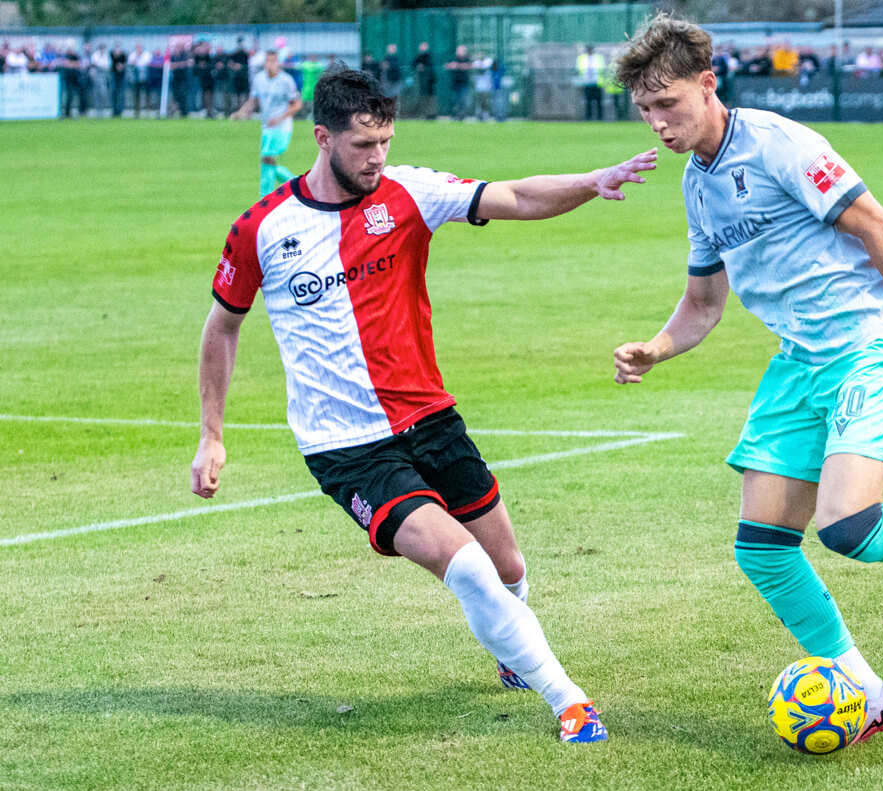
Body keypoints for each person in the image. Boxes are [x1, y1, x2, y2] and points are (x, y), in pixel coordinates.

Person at [192, 64, 656, 743]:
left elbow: (518, 197)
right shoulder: (263, 228)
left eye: (384, 141)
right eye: (361, 146)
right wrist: (212, 435)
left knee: (508, 570)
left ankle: (511, 654)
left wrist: (590, 183)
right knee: (464, 565)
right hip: (347, 447)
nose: (376, 158)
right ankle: (571, 703)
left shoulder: (408, 190)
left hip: (431, 421)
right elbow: (222, 326)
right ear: (322, 138)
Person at [611, 14, 883, 745]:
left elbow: (878, 225)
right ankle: (868, 695)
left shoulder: (779, 144)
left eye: (668, 104)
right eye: (645, 110)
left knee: (847, 526)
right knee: (763, 547)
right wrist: (656, 347)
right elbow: (704, 304)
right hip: (797, 366)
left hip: (867, 348)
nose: (658, 123)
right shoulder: (697, 185)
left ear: (708, 85)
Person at [231, 49, 302, 198]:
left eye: (273, 61)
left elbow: (297, 105)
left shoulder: (286, 81)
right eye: (268, 61)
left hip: (282, 127)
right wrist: (240, 113)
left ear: (278, 63)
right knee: (267, 163)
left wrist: (280, 117)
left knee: (268, 159)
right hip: (267, 128)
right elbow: (253, 101)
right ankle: (273, 195)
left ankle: (291, 187)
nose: (270, 64)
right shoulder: (259, 79)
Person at [577, 44, 605, 120]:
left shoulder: (598, 58)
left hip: (597, 82)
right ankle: (588, 117)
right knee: (588, 101)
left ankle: (600, 117)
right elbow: (579, 69)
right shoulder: (582, 58)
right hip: (587, 82)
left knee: (598, 101)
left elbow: (602, 69)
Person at [445, 45, 473, 120]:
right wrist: (452, 66)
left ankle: (462, 115)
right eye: (458, 50)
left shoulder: (466, 58)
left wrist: (458, 66)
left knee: (463, 100)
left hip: (463, 83)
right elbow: (447, 65)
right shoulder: (452, 58)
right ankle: (455, 115)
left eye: (461, 51)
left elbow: (470, 66)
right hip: (454, 83)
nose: (459, 52)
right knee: (454, 99)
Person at [411, 41, 436, 120]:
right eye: (421, 46)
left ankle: (431, 114)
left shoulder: (429, 56)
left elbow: (429, 65)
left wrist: (423, 66)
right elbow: (413, 64)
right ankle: (424, 113)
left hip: (430, 82)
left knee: (430, 97)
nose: (422, 48)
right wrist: (418, 66)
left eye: (423, 46)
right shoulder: (419, 56)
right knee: (423, 97)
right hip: (422, 82)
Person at [229, 37, 251, 111]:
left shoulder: (246, 54)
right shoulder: (234, 54)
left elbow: (249, 65)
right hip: (236, 77)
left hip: (244, 76)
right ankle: (238, 110)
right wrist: (234, 66)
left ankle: (245, 109)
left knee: (245, 95)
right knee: (237, 95)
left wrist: (241, 66)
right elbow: (229, 63)